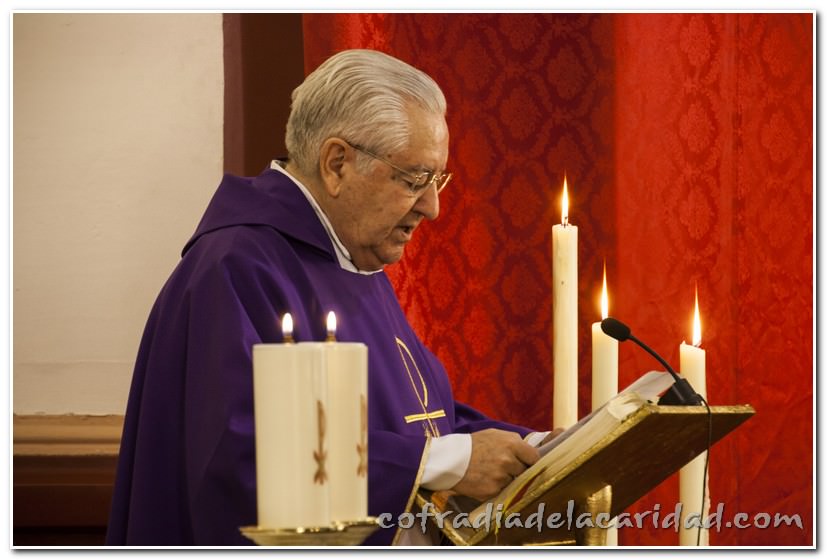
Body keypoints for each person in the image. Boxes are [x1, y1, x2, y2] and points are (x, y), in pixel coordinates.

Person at [106, 49, 554, 547]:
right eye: (414, 181)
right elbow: (241, 460)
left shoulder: (349, 258)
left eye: (436, 181)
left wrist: (536, 449)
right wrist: (443, 462)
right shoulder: (236, 268)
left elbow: (414, 417)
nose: (432, 207)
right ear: (337, 163)